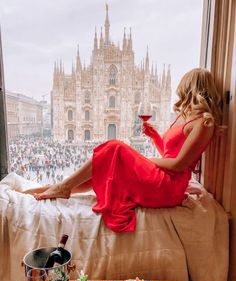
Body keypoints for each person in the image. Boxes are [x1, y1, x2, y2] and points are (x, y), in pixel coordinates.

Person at [23, 68, 221, 233]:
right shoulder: (186, 119)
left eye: (183, 89)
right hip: (163, 176)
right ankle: (46, 190)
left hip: (168, 187)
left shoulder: (205, 122)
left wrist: (138, 159)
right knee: (106, 168)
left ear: (193, 89)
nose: (180, 94)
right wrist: (154, 137)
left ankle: (63, 188)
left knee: (114, 147)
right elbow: (170, 155)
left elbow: (179, 164)